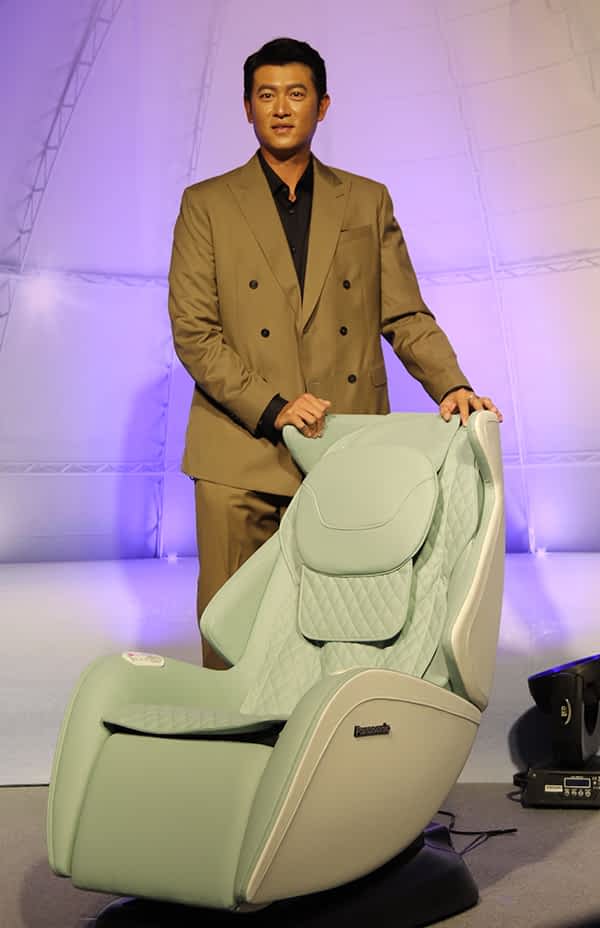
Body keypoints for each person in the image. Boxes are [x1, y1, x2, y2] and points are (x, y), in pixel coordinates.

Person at [168, 37, 502, 669]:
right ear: (247, 107)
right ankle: (236, 735)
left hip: (341, 441)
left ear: (322, 106)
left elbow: (404, 313)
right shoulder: (206, 204)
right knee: (232, 630)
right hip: (239, 449)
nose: (281, 108)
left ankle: (337, 733)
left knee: (345, 628)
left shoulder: (367, 200)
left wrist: (452, 384)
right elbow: (194, 331)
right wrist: (273, 406)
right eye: (266, 95)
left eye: (296, 94)